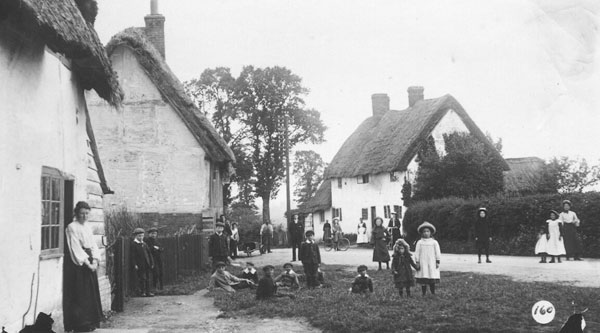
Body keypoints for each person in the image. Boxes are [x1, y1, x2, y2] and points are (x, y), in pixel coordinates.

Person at [63, 201, 103, 333]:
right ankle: (81, 325)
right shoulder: (72, 227)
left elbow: (93, 245)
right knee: (81, 293)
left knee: (91, 292)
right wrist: (88, 263)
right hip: (79, 264)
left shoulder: (87, 226)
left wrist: (96, 261)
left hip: (90, 260)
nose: (84, 216)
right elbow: (75, 247)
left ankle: (91, 321)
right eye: (82, 213)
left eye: (87, 213)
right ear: (76, 213)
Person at [414, 222, 441, 296]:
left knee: (431, 276)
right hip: (423, 262)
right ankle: (423, 293)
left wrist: (437, 261)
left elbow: (437, 252)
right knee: (424, 276)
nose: (426, 233)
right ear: (422, 233)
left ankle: (433, 292)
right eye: (424, 232)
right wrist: (417, 261)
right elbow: (417, 252)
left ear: (431, 233)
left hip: (431, 262)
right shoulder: (420, 242)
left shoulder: (434, 242)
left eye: (428, 231)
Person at [131, 228, 154, 297]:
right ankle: (142, 291)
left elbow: (149, 254)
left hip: (146, 263)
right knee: (142, 278)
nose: (141, 237)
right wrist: (135, 264)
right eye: (139, 236)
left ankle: (148, 291)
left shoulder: (144, 244)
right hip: (140, 264)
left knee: (148, 278)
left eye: (142, 236)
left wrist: (151, 262)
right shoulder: (134, 244)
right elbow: (132, 256)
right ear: (136, 236)